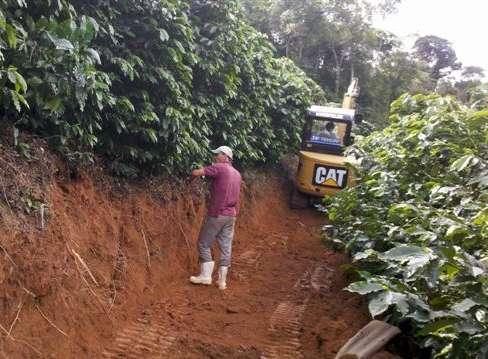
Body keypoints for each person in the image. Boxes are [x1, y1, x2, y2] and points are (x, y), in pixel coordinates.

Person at [189, 145, 242, 290]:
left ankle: (205, 276)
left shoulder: (220, 167)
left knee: (203, 243)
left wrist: (191, 175)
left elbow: (198, 172)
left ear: (225, 157)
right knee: (226, 246)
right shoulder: (237, 174)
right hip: (231, 215)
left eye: (217, 154)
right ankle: (222, 281)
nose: (215, 157)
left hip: (217, 213)